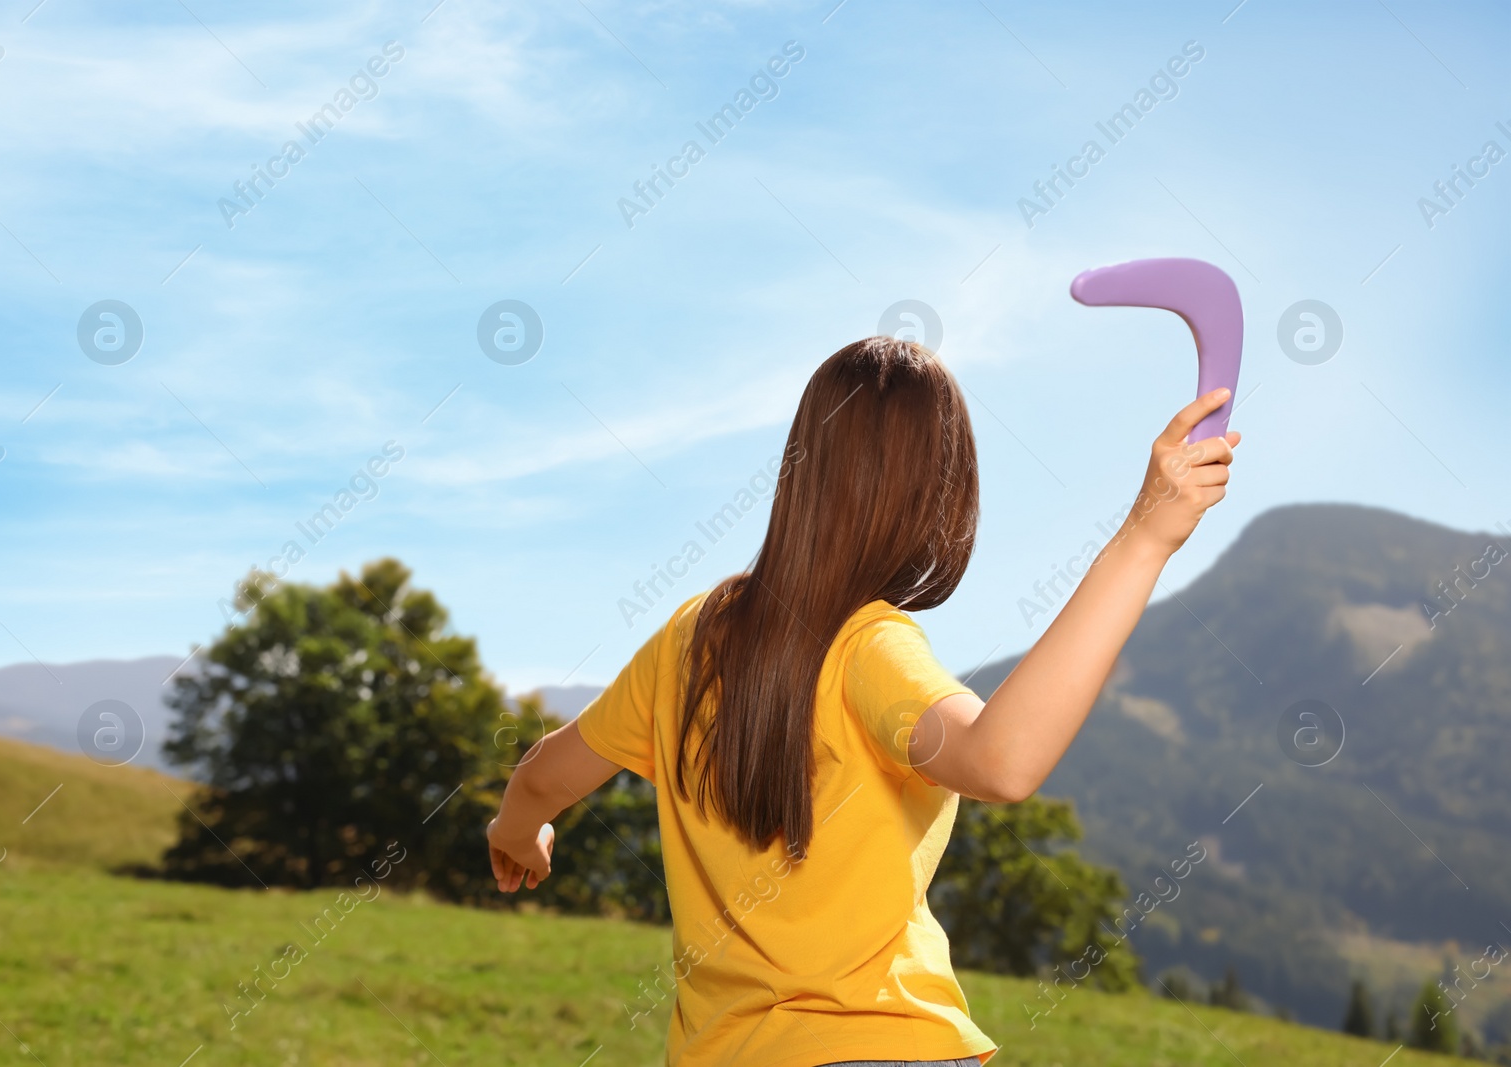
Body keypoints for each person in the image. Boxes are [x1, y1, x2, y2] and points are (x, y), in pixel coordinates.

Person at [487, 337, 1241, 1067]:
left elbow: (546, 776)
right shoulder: (869, 648)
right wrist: (1145, 538)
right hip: (884, 1043)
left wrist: (520, 833)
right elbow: (1003, 761)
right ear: (940, 493)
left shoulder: (690, 637)